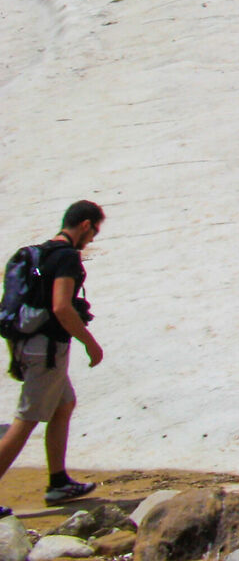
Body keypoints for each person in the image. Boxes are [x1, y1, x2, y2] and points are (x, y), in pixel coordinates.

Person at [0, 202, 105, 513]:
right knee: (25, 420)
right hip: (47, 351)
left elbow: (21, 302)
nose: (94, 239)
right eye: (95, 230)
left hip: (28, 345)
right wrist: (90, 343)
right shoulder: (67, 258)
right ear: (85, 225)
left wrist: (15, 355)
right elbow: (61, 307)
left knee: (64, 404)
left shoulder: (39, 255)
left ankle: (58, 483)